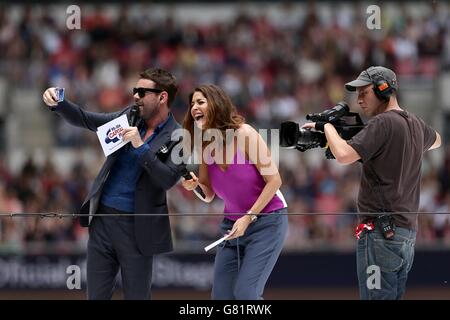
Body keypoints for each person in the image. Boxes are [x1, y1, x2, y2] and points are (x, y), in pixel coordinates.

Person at [42, 68, 185, 299]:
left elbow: (168, 179)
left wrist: (142, 147)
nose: (135, 96)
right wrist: (59, 104)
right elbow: (89, 120)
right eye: (134, 90)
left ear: (162, 97)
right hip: (103, 222)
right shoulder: (130, 116)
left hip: (138, 229)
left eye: (142, 91)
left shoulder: (180, 136)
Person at [303, 66, 441, 300]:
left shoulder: (383, 123)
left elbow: (344, 155)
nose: (358, 99)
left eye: (364, 92)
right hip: (405, 234)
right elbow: (436, 140)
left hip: (380, 234)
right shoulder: (415, 123)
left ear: (383, 90)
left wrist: (326, 127)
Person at [181, 84, 288, 300]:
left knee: (246, 294)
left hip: (267, 222)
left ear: (216, 105)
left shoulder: (245, 134)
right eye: (192, 104)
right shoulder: (204, 145)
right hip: (231, 227)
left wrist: (248, 217)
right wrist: (194, 187)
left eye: (200, 102)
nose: (194, 107)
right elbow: (208, 193)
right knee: (221, 296)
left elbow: (275, 180)